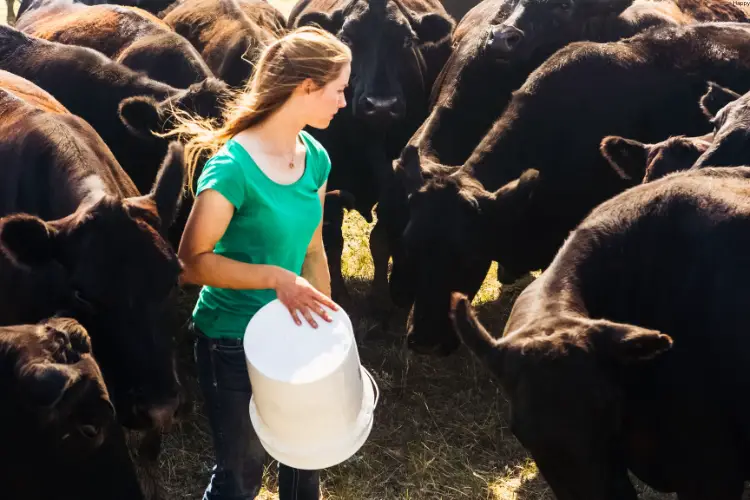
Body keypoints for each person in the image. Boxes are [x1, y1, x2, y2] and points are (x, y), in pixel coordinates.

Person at [168, 26, 352, 500]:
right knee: (240, 475)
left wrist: (326, 330)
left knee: (305, 459)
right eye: (338, 90)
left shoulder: (315, 158)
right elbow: (190, 264)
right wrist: (276, 279)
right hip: (231, 340)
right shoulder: (232, 168)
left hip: (294, 335)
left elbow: (313, 249)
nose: (345, 102)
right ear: (305, 88)